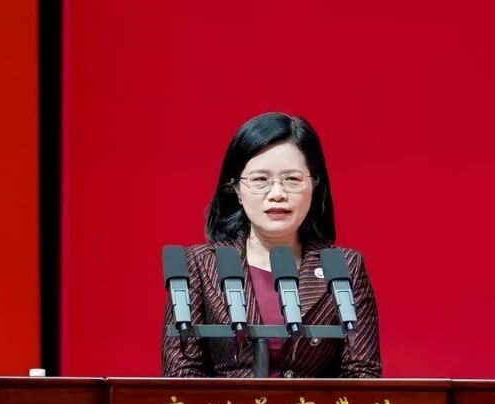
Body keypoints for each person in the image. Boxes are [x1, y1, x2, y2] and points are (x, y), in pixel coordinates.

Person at [162, 112, 382, 378]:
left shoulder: (343, 268)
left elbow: (362, 373)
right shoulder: (199, 265)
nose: (277, 194)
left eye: (292, 179)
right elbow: (182, 373)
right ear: (236, 189)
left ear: (314, 184)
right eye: (260, 180)